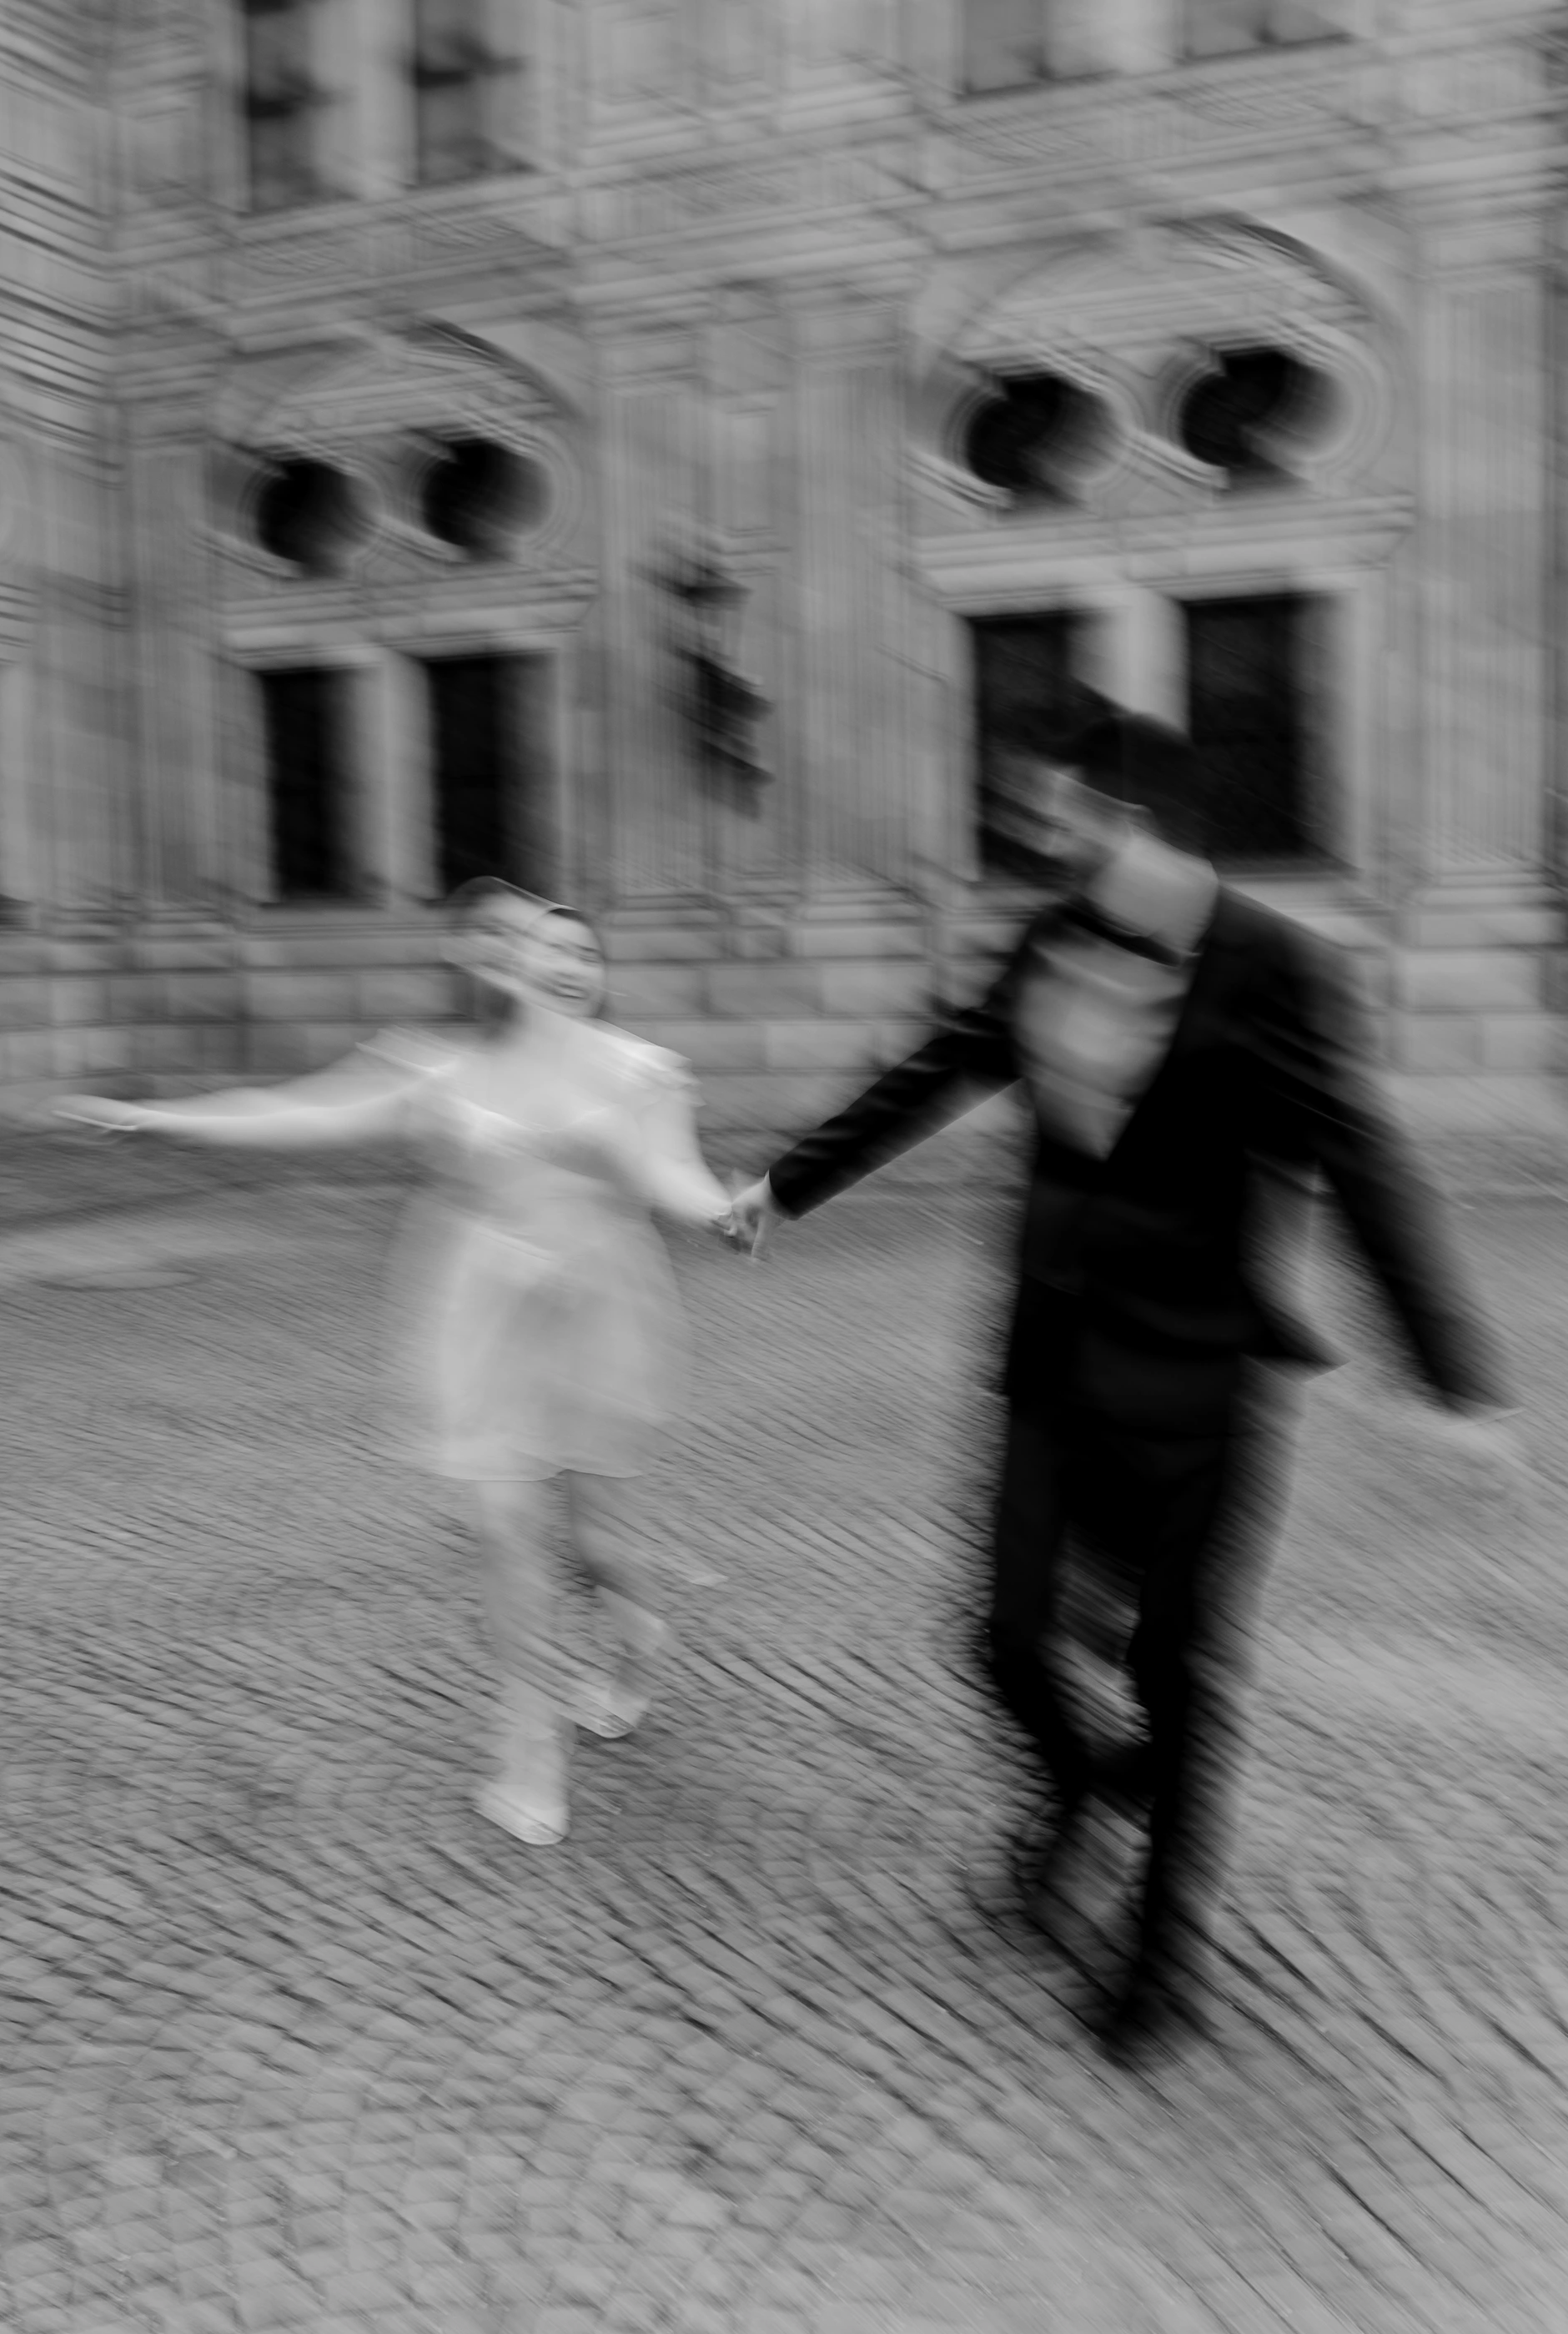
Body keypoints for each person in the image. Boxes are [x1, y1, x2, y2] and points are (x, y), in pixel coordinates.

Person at [727, 707, 1520, 2060]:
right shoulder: (1046, 937)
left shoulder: (1280, 966)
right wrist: (788, 1185)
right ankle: (1086, 1789)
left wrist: (1450, 1376)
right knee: (1004, 1638)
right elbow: (944, 1064)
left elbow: (1359, 1152)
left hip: (1200, 1376)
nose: (1042, 836)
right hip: (1047, 1355)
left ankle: (1163, 1955)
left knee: (1178, 1665)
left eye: (1063, 816)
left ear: (1129, 820)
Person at [56, 883, 734, 1849]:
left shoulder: (642, 1070)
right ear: (503, 964)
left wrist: (723, 1216)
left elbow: (676, 1176)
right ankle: (528, 1735)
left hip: (600, 1316)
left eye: (583, 951)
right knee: (502, 1530)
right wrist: (161, 1120)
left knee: (596, 1548)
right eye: (547, 948)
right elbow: (297, 1112)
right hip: (483, 1313)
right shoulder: (439, 1068)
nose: (566, 964)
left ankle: (635, 1639)